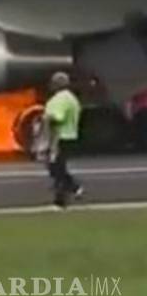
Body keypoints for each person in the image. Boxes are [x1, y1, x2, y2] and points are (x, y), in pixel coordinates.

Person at [44, 71, 84, 208]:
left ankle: (61, 200)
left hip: (60, 137)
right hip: (70, 136)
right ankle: (73, 188)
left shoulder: (60, 99)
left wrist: (46, 119)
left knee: (57, 168)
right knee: (56, 167)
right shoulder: (72, 98)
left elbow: (57, 118)